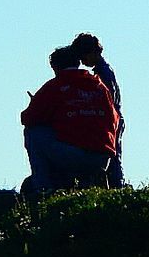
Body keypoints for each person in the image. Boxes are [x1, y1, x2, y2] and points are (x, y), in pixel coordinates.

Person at [20, 45, 119, 198]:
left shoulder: (55, 86)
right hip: (102, 158)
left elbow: (28, 118)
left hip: (75, 155)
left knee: (34, 132)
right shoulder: (99, 86)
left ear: (55, 67)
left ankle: (44, 189)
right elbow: (114, 118)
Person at [70, 32, 126, 188]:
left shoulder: (102, 73)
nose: (83, 61)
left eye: (84, 57)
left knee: (112, 155)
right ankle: (115, 185)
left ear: (94, 52)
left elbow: (109, 99)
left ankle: (117, 186)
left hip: (111, 120)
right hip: (113, 118)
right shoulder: (104, 70)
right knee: (112, 155)